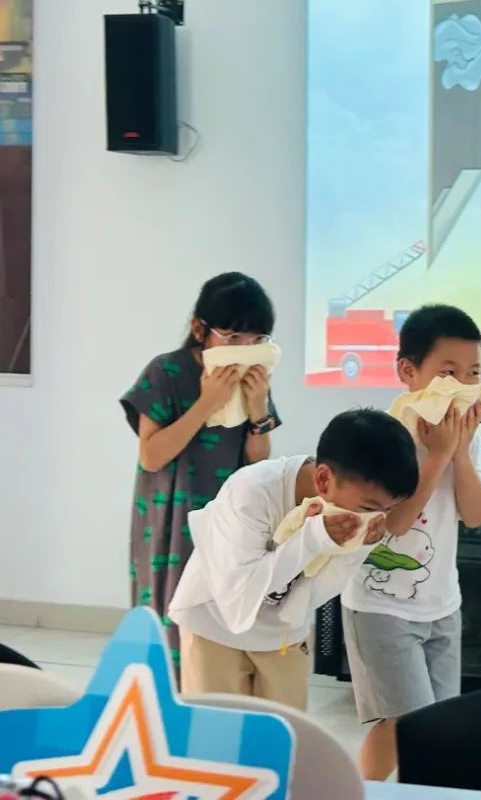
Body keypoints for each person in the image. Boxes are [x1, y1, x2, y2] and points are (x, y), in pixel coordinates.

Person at [168, 408, 419, 711]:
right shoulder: (252, 491)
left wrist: (355, 551)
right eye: (369, 508)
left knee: (286, 731)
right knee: (217, 733)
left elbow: (314, 593)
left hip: (282, 636)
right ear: (323, 479)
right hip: (214, 624)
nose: (376, 518)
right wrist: (312, 538)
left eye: (387, 510)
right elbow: (240, 595)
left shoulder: (359, 513)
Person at [341, 304, 481, 780]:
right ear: (408, 371)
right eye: (447, 373)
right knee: (407, 725)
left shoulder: (466, 435)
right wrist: (439, 455)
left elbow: (476, 515)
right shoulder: (387, 437)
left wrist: (460, 455)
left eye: (473, 373)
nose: (462, 385)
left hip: (442, 605)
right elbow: (397, 523)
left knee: (429, 725)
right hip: (380, 608)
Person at [121, 272, 281, 672]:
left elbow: (259, 461)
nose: (244, 350)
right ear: (199, 329)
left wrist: (258, 411)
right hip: (170, 516)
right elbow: (151, 456)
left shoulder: (253, 376)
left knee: (217, 615)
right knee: (168, 611)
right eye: (233, 337)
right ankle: (164, 693)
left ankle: (211, 692)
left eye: (256, 340)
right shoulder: (166, 372)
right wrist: (207, 402)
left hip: (228, 513)